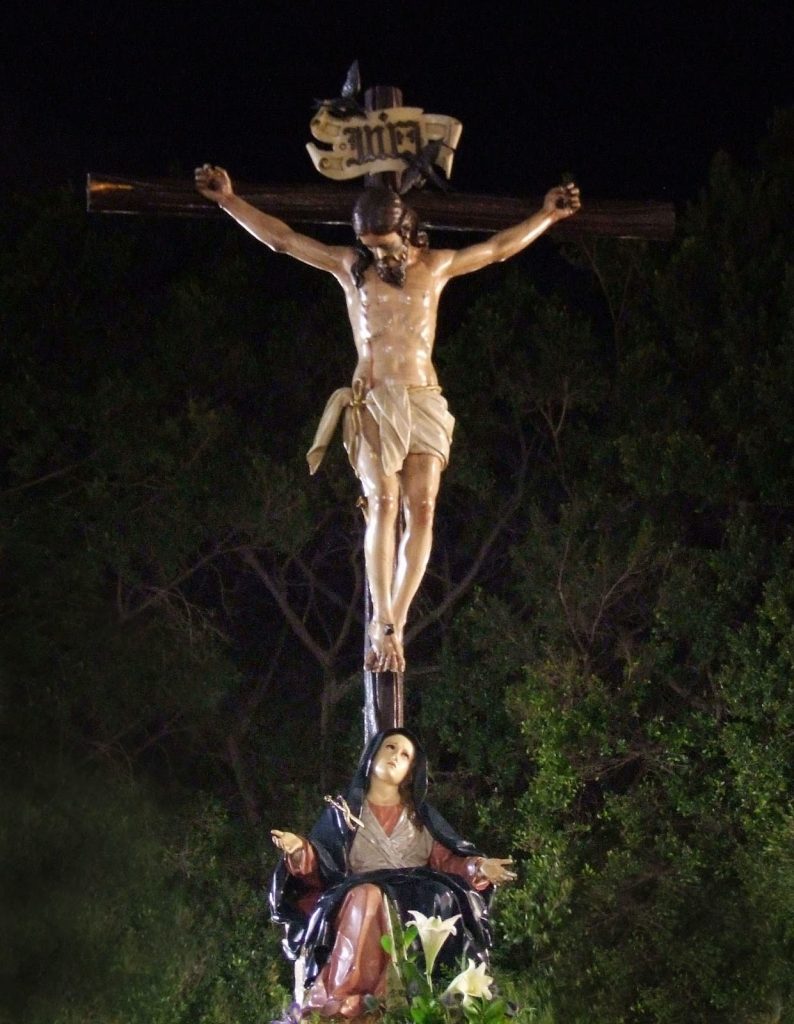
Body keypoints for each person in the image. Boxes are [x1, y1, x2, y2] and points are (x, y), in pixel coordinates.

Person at [195, 166, 580, 672]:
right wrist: (229, 200)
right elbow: (283, 240)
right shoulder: (349, 268)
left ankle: (394, 619)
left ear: (407, 230)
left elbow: (496, 249)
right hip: (374, 398)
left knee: (422, 508)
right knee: (382, 500)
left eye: (387, 246)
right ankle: (382, 620)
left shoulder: (435, 267)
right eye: (371, 247)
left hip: (422, 399)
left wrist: (547, 216)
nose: (380, 256)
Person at [269, 728, 515, 1018]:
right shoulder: (344, 813)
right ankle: (345, 997)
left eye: (405, 755)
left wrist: (479, 866)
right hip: (361, 887)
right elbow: (323, 862)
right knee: (367, 896)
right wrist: (299, 849)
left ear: (410, 771)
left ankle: (411, 996)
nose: (396, 756)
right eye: (390, 747)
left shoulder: (421, 816)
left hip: (418, 892)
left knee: (443, 897)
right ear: (373, 754)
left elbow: (449, 860)